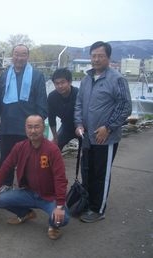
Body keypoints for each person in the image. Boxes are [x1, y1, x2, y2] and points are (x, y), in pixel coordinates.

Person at [74, 41, 132, 223]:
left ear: (108, 58)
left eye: (101, 56)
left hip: (105, 137)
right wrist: (78, 124)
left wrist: (108, 127)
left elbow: (125, 107)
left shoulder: (117, 79)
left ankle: (98, 209)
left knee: (101, 175)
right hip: (87, 136)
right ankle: (87, 202)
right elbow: (79, 105)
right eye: (94, 55)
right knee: (87, 172)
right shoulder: (86, 79)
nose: (96, 59)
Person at [0, 115, 69, 240]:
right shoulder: (20, 147)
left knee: (62, 219)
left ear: (43, 128)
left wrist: (59, 206)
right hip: (28, 192)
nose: (33, 131)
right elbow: (5, 167)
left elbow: (60, 179)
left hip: (49, 196)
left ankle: (53, 226)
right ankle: (26, 214)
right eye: (29, 127)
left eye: (37, 127)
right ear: (25, 129)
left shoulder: (52, 150)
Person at [0, 44, 48, 186]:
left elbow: (42, 103)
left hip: (28, 129)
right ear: (12, 56)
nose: (19, 58)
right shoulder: (5, 75)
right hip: (7, 126)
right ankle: (5, 189)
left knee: (28, 162)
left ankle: (27, 191)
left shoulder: (37, 76)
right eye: (16, 54)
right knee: (6, 161)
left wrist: (38, 125)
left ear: (28, 57)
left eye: (23, 54)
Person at [48, 68, 79, 150]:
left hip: (82, 126)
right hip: (66, 126)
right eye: (57, 83)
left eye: (63, 82)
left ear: (70, 82)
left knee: (87, 149)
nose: (60, 86)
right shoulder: (52, 97)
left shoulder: (79, 94)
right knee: (53, 147)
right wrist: (55, 137)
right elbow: (51, 119)